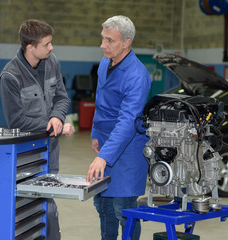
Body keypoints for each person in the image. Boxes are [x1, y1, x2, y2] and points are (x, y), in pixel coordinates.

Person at [0, 19, 74, 240]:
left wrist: (57, 117)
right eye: (47, 44)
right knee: (29, 210)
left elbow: (62, 97)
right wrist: (52, 127)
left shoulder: (53, 63)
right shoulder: (10, 76)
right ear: (30, 47)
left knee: (47, 204)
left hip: (50, 150)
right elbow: (17, 121)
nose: (51, 48)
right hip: (26, 155)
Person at [86, 15, 151, 240]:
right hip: (105, 143)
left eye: (110, 40)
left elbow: (127, 122)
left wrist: (104, 157)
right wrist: (95, 133)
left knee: (123, 210)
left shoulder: (137, 75)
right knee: (103, 206)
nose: (103, 45)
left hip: (127, 150)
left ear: (126, 42)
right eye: (103, 38)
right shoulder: (105, 62)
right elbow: (101, 99)